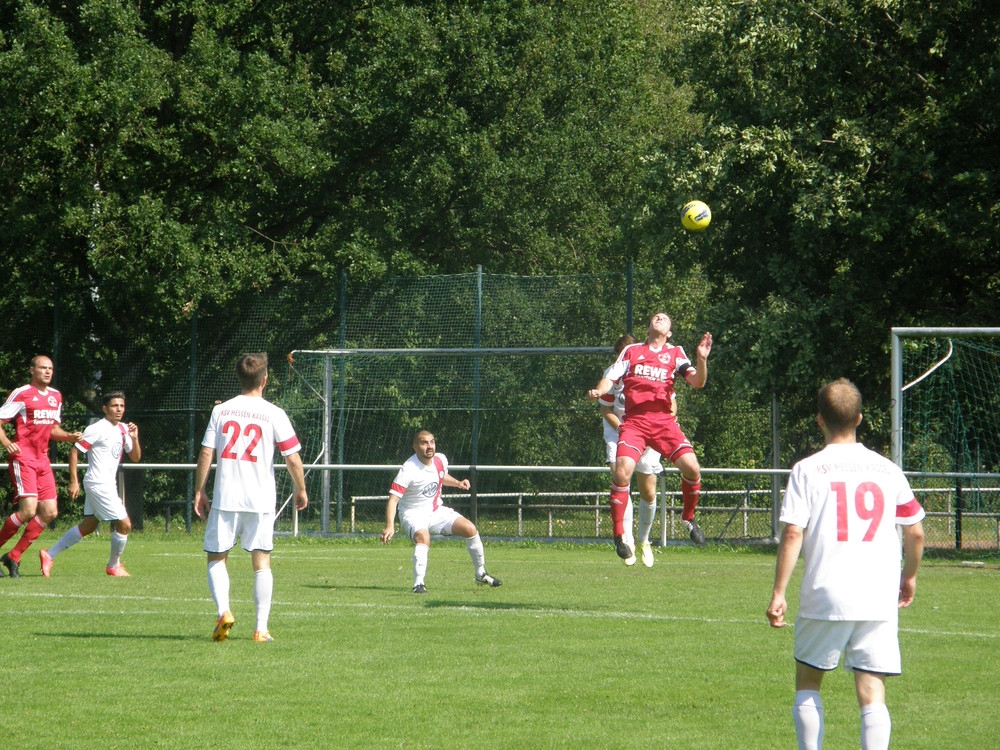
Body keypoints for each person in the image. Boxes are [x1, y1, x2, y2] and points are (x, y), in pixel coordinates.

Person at [766, 378, 925, 750]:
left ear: (820, 420)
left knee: (808, 682)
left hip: (825, 593)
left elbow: (793, 533)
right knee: (872, 692)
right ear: (859, 418)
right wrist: (910, 576)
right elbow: (915, 532)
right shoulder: (887, 470)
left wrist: (778, 592)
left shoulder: (807, 469)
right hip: (877, 596)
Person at [193, 353, 308, 643]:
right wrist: (301, 488)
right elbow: (292, 458)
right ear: (265, 379)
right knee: (261, 561)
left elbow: (207, 451)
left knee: (217, 557)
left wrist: (199, 490)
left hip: (226, 496)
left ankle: (224, 611)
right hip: (260, 499)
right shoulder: (274, 413)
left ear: (239, 378)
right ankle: (261, 629)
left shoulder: (222, 411)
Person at [587, 313, 712, 561]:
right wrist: (598, 390)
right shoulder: (632, 351)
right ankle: (620, 535)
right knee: (621, 473)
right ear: (648, 329)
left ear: (669, 332)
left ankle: (688, 518)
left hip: (664, 423)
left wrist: (701, 359)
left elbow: (698, 382)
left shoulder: (676, 352)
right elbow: (610, 378)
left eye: (665, 318)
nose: (660, 317)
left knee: (693, 468)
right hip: (634, 423)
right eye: (656, 317)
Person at [380, 429, 502, 593]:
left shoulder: (439, 460)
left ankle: (480, 574)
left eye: (432, 442)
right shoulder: (408, 469)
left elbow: (440, 476)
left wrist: (458, 483)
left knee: (470, 529)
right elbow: (393, 500)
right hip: (413, 514)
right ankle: (418, 584)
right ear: (415, 446)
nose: (429, 446)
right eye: (424, 443)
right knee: (423, 537)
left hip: (436, 511)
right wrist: (389, 525)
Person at [40, 392, 142, 577]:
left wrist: (134, 438)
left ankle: (49, 554)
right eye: (114, 405)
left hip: (106, 484)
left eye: (121, 406)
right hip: (98, 483)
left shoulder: (124, 429)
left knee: (88, 526)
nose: (119, 409)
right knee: (125, 525)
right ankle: (113, 566)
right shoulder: (97, 428)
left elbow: (135, 457)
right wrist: (73, 481)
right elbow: (74, 452)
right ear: (105, 409)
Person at [0, 355, 81, 578]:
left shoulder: (56, 396)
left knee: (50, 512)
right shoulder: (22, 393)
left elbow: (52, 430)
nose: (47, 371)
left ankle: (13, 556)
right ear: (32, 370)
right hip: (24, 459)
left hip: (42, 461)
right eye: (42, 368)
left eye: (50, 368)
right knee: (27, 511)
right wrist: (7, 442)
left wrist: (70, 436)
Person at [598, 333, 674, 568]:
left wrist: (650, 432)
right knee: (621, 480)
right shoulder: (612, 375)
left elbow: (671, 408)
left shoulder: (654, 369)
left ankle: (644, 540)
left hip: (651, 428)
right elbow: (607, 409)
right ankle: (626, 540)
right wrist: (627, 432)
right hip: (618, 430)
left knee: (648, 492)